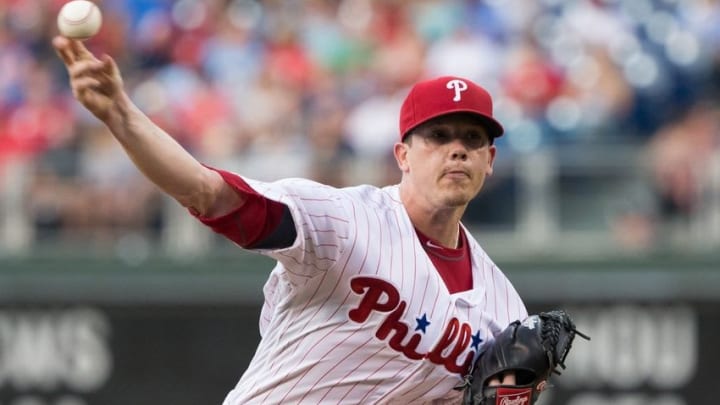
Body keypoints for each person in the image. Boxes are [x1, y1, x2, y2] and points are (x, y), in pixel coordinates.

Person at [53, 35, 527, 404]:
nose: (458, 148)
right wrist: (121, 116)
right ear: (402, 155)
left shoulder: (505, 312)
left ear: (489, 159)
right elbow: (205, 191)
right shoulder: (345, 221)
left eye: (473, 137)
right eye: (438, 136)